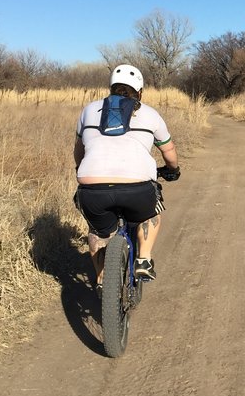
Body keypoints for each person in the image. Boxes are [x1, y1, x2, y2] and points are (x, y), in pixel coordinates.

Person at [73, 64, 180, 293]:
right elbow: (169, 151)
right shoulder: (150, 114)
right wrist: (173, 169)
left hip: (93, 189)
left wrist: (80, 168)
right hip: (137, 188)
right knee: (151, 213)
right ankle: (144, 258)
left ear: (111, 88)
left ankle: (102, 278)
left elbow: (79, 150)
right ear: (139, 92)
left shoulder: (89, 110)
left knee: (98, 231)